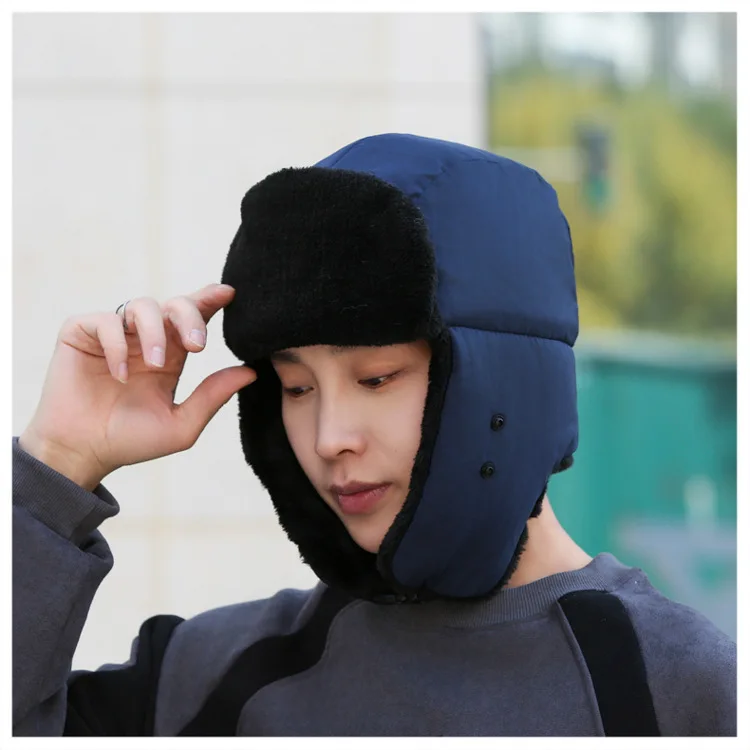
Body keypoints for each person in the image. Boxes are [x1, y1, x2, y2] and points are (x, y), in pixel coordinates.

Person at [13, 133, 736, 737]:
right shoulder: (208, 678)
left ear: (502, 378)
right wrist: (55, 467)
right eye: (296, 388)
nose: (329, 438)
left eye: (377, 378)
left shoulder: (675, 687)